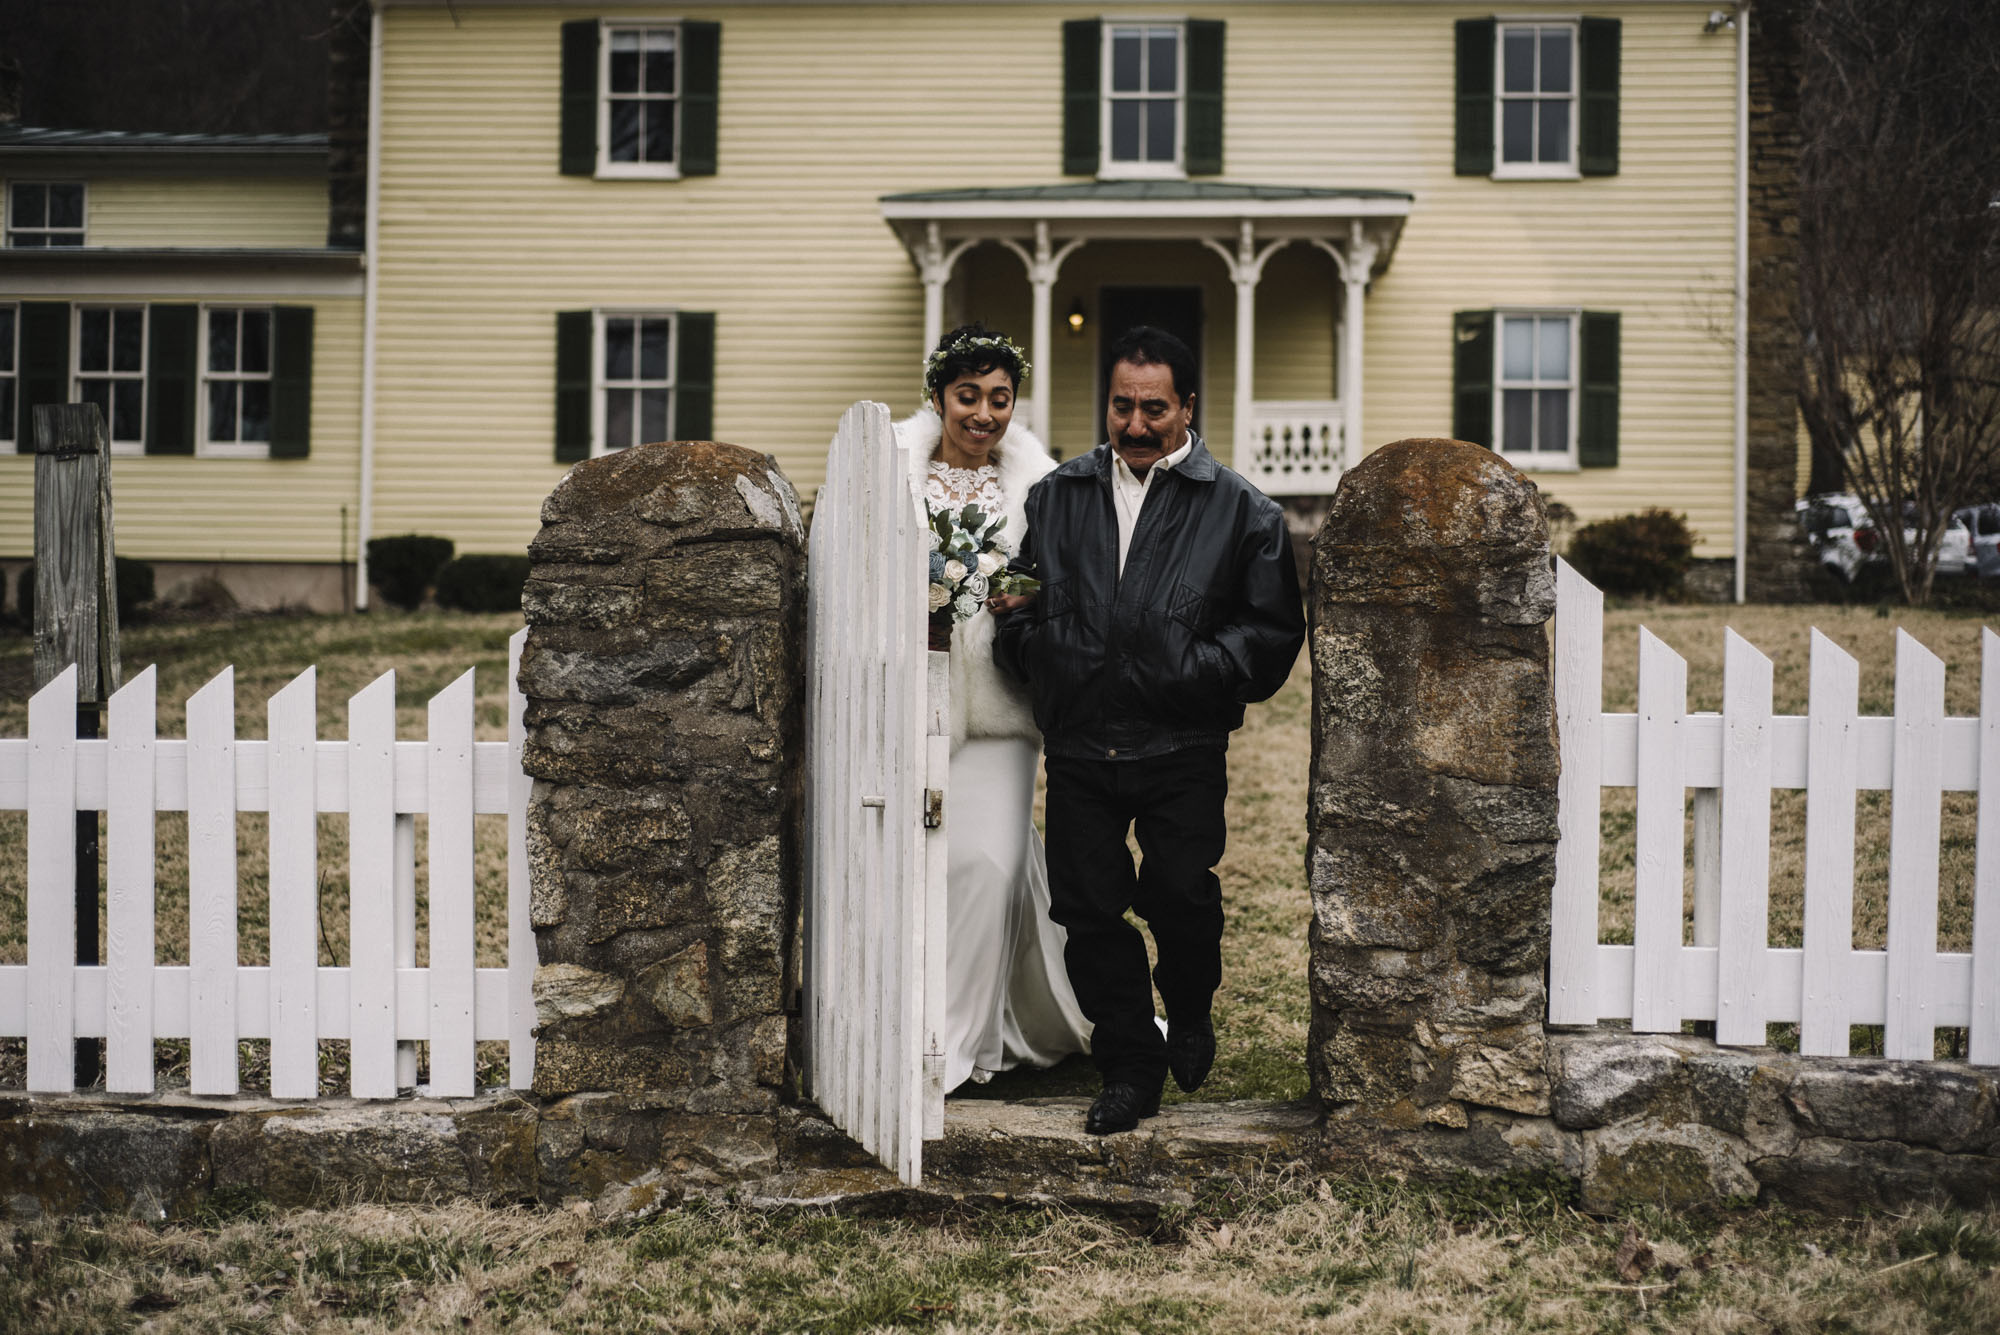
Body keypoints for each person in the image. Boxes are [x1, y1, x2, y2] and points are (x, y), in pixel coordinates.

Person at [993, 325, 1305, 1135]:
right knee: (1088, 912)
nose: (1135, 424)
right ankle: (1132, 1063)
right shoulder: (1054, 496)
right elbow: (1016, 602)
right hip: (1080, 747)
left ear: (1188, 407)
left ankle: (1191, 1000)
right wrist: (1041, 649)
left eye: (1154, 409)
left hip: (1181, 747)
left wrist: (1192, 672)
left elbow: (1270, 635)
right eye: (1122, 406)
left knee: (1179, 893)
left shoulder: (1243, 511)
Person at [895, 323, 1091, 1093]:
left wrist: (1025, 602)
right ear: (939, 396)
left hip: (1006, 706)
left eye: (999, 399)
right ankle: (924, 1026)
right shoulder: (896, 477)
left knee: (991, 862)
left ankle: (957, 1046)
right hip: (917, 701)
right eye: (968, 395)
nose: (983, 413)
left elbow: (1065, 584)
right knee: (921, 870)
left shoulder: (1041, 490)